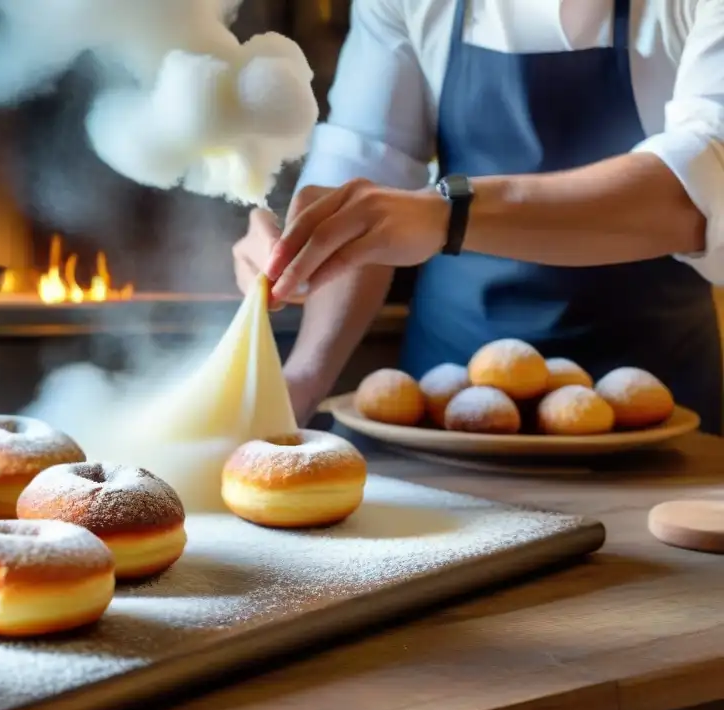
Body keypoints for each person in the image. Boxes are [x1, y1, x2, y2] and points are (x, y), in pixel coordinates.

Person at [233, 0, 724, 434]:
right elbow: (366, 162)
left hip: (659, 404)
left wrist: (447, 213)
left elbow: (698, 186)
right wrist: (302, 376)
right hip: (442, 410)